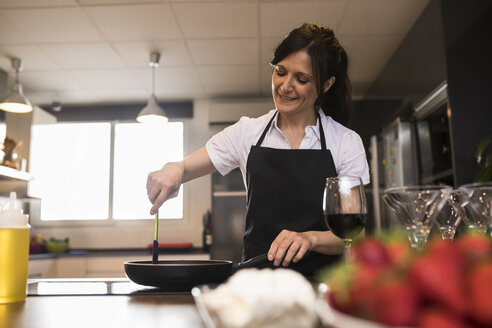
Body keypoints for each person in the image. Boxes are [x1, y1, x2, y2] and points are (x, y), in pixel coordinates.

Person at [146, 23, 370, 276]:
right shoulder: (246, 133)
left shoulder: (346, 142)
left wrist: (310, 239)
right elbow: (184, 167)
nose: (285, 86)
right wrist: (172, 169)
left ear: (327, 84)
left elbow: (354, 235)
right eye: (280, 72)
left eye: (301, 79)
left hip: (326, 286)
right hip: (257, 284)